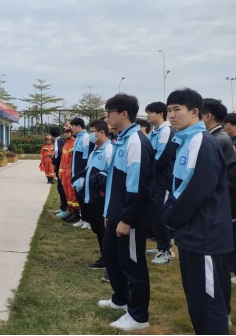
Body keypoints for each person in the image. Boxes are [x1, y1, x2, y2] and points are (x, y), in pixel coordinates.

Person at [164, 89, 233, 334]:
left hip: (204, 235)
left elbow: (197, 191)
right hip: (190, 233)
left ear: (195, 112)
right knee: (196, 298)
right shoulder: (185, 140)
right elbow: (178, 186)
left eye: (177, 110)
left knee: (208, 302)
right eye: (169, 110)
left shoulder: (201, 142)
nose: (171, 116)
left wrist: (170, 217)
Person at [99, 93, 153, 331]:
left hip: (130, 218)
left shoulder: (136, 142)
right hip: (116, 213)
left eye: (109, 112)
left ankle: (139, 316)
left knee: (133, 264)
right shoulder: (121, 139)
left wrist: (126, 219)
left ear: (123, 113)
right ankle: (121, 298)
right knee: (111, 254)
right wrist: (109, 212)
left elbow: (137, 185)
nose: (106, 117)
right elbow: (116, 182)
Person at [203, 98, 236, 323]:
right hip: (219, 208)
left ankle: (224, 311)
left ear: (207, 116)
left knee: (220, 262)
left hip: (222, 210)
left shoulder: (219, 140)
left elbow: (227, 180)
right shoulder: (215, 138)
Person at [145, 102, 177, 266]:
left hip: (163, 181)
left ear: (160, 114)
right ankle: (160, 246)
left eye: (150, 113)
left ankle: (166, 251)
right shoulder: (153, 131)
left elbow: (162, 157)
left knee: (160, 215)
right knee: (153, 214)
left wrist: (147, 171)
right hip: (153, 180)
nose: (147, 116)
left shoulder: (167, 131)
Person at [82, 120, 113, 273]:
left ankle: (110, 262)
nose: (90, 135)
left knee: (105, 231)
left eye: (92, 131)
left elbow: (110, 175)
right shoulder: (95, 150)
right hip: (91, 198)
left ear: (101, 133)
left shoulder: (109, 150)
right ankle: (104, 257)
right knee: (97, 229)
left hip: (102, 199)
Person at [70, 117, 91, 229]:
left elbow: (85, 158)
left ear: (78, 126)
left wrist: (82, 175)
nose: (71, 129)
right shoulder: (78, 138)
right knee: (79, 198)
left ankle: (88, 220)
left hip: (81, 174)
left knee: (84, 198)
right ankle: (83, 218)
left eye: (72, 126)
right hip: (76, 173)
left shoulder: (86, 138)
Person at [58, 124, 79, 223]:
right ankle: (71, 211)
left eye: (68, 132)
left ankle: (76, 213)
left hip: (71, 171)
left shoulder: (74, 143)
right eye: (65, 132)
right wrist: (61, 172)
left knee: (73, 192)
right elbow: (62, 160)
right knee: (67, 193)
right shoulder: (65, 145)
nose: (66, 134)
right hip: (65, 172)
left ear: (72, 133)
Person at [50, 127, 69, 219]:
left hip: (61, 168)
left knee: (61, 188)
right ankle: (62, 207)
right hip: (61, 167)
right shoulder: (61, 140)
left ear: (51, 135)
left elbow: (60, 154)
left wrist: (54, 161)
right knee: (60, 188)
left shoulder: (58, 141)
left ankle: (64, 208)